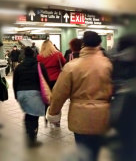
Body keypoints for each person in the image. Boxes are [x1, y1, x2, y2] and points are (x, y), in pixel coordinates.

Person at [47, 31, 113, 161]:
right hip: (103, 115)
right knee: (95, 151)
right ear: (99, 44)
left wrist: (53, 113)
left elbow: (59, 93)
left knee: (83, 151)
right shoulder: (108, 64)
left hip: (80, 117)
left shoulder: (71, 66)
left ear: (83, 44)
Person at [13, 47, 50, 147]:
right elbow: (46, 80)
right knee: (33, 116)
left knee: (28, 113)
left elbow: (15, 82)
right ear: (34, 55)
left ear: (24, 56)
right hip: (34, 94)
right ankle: (31, 137)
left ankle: (29, 132)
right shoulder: (40, 65)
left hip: (21, 93)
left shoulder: (19, 67)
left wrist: (16, 95)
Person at [37, 40, 66, 127]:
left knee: (47, 99)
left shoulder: (39, 57)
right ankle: (57, 120)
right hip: (57, 80)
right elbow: (64, 64)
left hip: (45, 81)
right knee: (56, 100)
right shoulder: (58, 54)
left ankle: (47, 118)